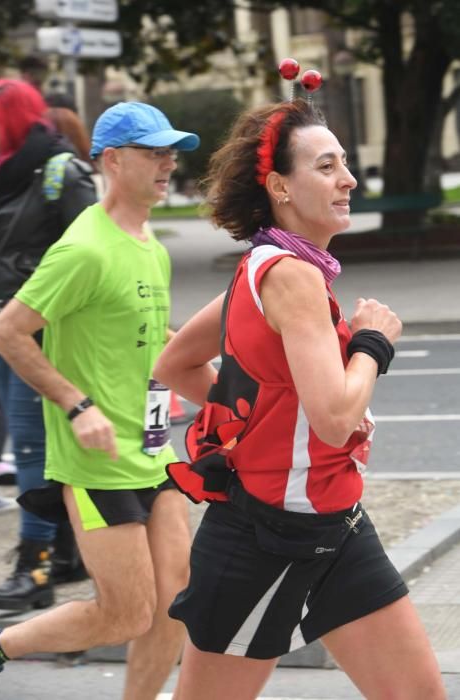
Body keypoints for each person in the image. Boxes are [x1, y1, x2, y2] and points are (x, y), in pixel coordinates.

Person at [152, 97, 446, 699]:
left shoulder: (262, 263)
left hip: (336, 529)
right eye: (327, 166)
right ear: (280, 186)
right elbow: (334, 418)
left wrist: (263, 419)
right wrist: (373, 344)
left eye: (344, 163)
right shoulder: (291, 276)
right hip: (265, 538)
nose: (349, 179)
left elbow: (175, 363)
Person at [0, 100, 200, 699]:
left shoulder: (150, 245)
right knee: (127, 614)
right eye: (152, 153)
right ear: (112, 160)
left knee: (176, 600)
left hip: (153, 446)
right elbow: (8, 330)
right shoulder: (83, 249)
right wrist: (77, 406)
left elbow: (148, 333)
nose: (167, 164)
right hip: (97, 462)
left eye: (170, 153)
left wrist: (212, 375)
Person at [0, 79, 97, 610]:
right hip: (1, 324)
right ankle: (67, 550)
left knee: (34, 444)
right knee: (40, 444)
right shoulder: (4, 172)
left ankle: (35, 570)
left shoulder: (57, 170)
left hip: (36, 328)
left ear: (11, 118)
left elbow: (88, 250)